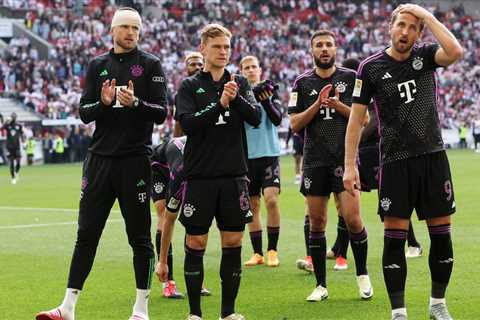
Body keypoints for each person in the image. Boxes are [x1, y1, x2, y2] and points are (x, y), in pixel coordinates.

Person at [36, 7, 168, 320]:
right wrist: (105, 103)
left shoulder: (151, 64)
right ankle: (67, 308)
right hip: (99, 160)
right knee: (86, 235)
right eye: (125, 27)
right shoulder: (98, 65)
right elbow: (85, 112)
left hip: (135, 160)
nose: (131, 33)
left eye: (136, 28)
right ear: (113, 30)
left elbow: (161, 112)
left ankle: (141, 309)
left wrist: (135, 103)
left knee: (139, 236)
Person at [344, 4, 463, 320]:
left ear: (419, 32)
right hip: (394, 163)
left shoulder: (425, 57)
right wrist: (350, 165)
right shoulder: (369, 68)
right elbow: (356, 121)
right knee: (394, 238)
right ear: (390, 27)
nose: (405, 32)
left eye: (413, 27)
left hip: (433, 158)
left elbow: (455, 51)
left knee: (441, 236)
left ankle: (438, 304)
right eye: (401, 25)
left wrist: (427, 16)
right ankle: (399, 312)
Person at [175, 23, 261, 320]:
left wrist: (234, 98)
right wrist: (219, 103)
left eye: (226, 47)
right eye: (217, 47)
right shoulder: (189, 86)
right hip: (199, 177)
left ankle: (228, 312)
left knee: (233, 242)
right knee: (196, 242)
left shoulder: (239, 83)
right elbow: (188, 123)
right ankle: (195, 313)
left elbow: (256, 117)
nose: (223, 52)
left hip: (234, 176)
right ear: (203, 49)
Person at [289, 29, 372, 302]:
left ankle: (362, 275)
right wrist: (317, 104)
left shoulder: (351, 79)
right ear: (311, 51)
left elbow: (365, 119)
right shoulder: (301, 83)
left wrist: (337, 105)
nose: (324, 49)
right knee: (317, 222)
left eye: (328, 44)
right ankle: (321, 285)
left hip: (344, 160)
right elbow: (295, 124)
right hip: (314, 162)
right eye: (319, 45)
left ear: (336, 49)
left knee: (352, 218)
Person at [152, 51, 210, 299]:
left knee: (193, 221)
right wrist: (162, 261)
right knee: (166, 216)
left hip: (185, 155)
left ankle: (196, 280)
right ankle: (168, 280)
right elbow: (170, 220)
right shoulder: (181, 171)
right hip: (160, 166)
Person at [239, 55, 283, 268]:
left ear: (260, 70)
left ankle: (272, 249)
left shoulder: (270, 91)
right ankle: (257, 253)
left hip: (268, 153)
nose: (250, 70)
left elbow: (277, 119)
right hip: (247, 157)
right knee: (253, 204)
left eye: (253, 67)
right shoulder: (239, 94)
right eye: (246, 67)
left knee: (271, 200)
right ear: (241, 71)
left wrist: (265, 101)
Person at [2, 112, 23, 184]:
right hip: (9, 147)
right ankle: (13, 178)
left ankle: (16, 172)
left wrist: (24, 142)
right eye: (12, 117)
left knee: (18, 163)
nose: (13, 118)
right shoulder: (7, 125)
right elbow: (1, 129)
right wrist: (5, 122)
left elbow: (21, 134)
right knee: (11, 163)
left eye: (14, 117)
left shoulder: (19, 125)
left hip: (17, 147)